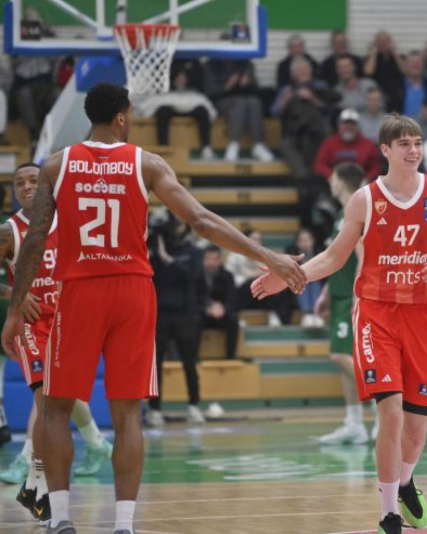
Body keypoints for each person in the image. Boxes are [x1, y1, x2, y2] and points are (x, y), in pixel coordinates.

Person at [0, 83, 306, 534]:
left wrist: (13, 308)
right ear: (121, 117)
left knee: (55, 410)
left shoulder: (56, 165)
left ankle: (61, 518)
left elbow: (35, 239)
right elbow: (201, 221)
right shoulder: (147, 163)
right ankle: (124, 525)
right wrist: (268, 256)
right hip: (132, 292)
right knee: (127, 414)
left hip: (79, 290)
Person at [251, 113, 427, 534]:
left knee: (417, 428)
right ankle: (388, 514)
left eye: (417, 143)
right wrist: (289, 276)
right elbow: (333, 258)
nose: (413, 151)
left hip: (422, 315)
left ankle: (405, 482)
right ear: (385, 150)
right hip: (376, 313)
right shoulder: (365, 200)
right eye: (404, 144)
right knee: (391, 414)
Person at [0, 164, 113, 524]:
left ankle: (34, 482)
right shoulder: (10, 231)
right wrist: (13, 295)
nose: (26, 187)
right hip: (33, 326)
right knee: (47, 404)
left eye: (34, 180)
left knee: (58, 407)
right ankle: (42, 487)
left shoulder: (73, 222)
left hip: (69, 324)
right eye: (19, 183)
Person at [315, 163, 375, 445]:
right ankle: (354, 423)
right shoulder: (342, 214)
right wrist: (326, 292)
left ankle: (383, 399)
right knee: (344, 358)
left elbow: (364, 257)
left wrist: (357, 296)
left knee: (339, 356)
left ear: (341, 181)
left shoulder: (357, 209)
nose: (330, 182)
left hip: (352, 296)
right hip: (339, 294)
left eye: (333, 178)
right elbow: (338, 258)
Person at [148, 215, 206, 426]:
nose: (176, 229)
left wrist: (168, 259)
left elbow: (192, 275)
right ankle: (155, 409)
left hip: (185, 315)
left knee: (189, 362)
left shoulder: (193, 252)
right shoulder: (155, 252)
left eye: (181, 225)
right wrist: (158, 250)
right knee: (156, 364)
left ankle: (194, 405)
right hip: (161, 314)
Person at [138, 59, 216, 161]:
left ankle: (206, 147)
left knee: (203, 111)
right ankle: (164, 147)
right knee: (163, 112)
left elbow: (199, 81)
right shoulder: (165, 62)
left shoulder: (195, 63)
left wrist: (186, 77)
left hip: (190, 98)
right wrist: (175, 78)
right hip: (169, 98)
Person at [206, 58, 275, 163]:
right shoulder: (211, 65)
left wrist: (248, 82)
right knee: (239, 103)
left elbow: (256, 87)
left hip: (245, 98)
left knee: (255, 102)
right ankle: (234, 143)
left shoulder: (246, 63)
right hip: (222, 100)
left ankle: (258, 144)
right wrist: (226, 86)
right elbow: (209, 91)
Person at [313, 108, 382, 181]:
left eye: (352, 124)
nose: (348, 127)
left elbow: (375, 167)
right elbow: (319, 164)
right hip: (335, 181)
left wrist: (366, 179)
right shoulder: (329, 143)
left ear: (358, 127)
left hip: (360, 181)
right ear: (339, 126)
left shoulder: (368, 144)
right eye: (345, 124)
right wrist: (331, 175)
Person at [202, 246, 240, 360]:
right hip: (203, 313)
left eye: (215, 259)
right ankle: (192, 359)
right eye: (208, 259)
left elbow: (232, 300)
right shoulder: (196, 275)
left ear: (220, 260)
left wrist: (222, 308)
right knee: (190, 319)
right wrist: (208, 309)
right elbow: (194, 298)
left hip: (222, 314)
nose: (211, 263)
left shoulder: (228, 276)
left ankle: (230, 358)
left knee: (233, 320)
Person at [287, 228, 325, 327]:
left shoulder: (319, 250)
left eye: (307, 240)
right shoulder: (292, 251)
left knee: (314, 283)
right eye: (302, 240)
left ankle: (316, 313)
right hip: (298, 281)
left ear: (313, 241)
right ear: (297, 242)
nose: (305, 243)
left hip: (315, 280)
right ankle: (306, 314)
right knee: (303, 284)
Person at [364, 31, 406, 114]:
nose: (383, 44)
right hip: (378, 97)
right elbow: (368, 72)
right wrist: (373, 53)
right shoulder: (371, 58)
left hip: (395, 96)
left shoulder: (398, 57)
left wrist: (395, 53)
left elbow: (406, 71)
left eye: (385, 41)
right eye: (380, 41)